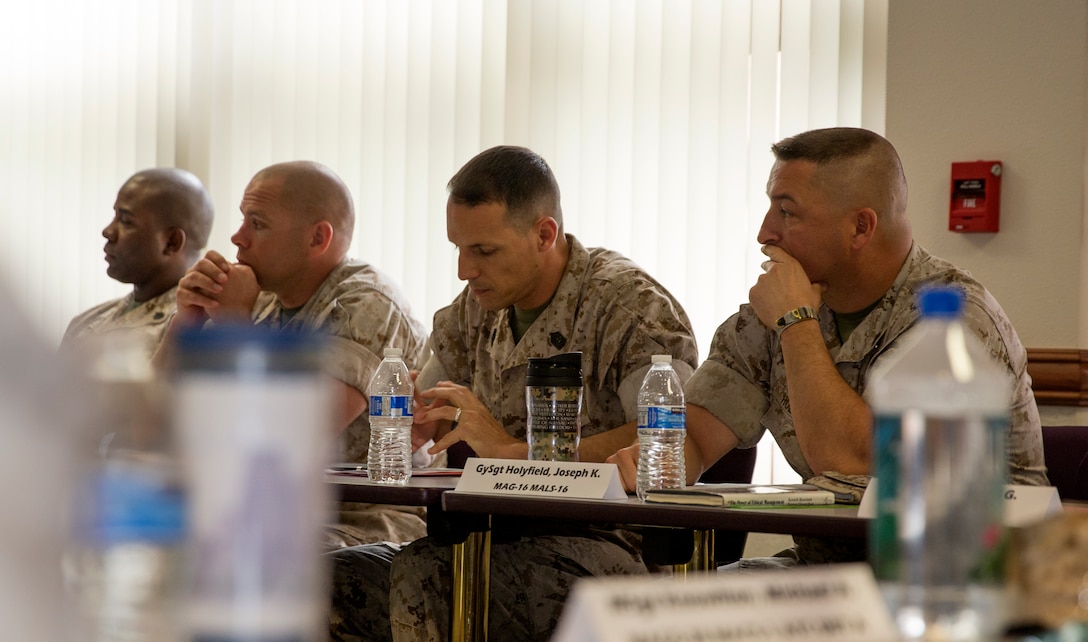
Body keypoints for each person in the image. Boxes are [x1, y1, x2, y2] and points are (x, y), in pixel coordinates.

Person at [609, 127, 1049, 567]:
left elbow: (856, 462)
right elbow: (698, 437)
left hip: (966, 578)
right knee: (685, 612)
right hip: (832, 566)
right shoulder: (775, 312)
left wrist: (796, 325)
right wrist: (658, 459)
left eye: (787, 213)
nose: (765, 232)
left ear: (861, 227)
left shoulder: (953, 320)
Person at [327, 146, 700, 642]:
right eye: (458, 248)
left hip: (611, 545)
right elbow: (430, 406)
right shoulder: (477, 308)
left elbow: (667, 439)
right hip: (490, 536)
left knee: (430, 578)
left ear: (544, 234)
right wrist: (417, 419)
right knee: (322, 581)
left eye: (483, 251)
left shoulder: (627, 306)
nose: (464, 270)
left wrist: (518, 455)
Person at [163, 160, 431, 547]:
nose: (237, 238)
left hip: (368, 517)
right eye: (242, 221)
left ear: (317, 238)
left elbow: (289, 437)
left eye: (257, 224)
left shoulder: (366, 303)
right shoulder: (262, 299)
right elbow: (146, 422)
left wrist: (235, 325)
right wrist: (185, 321)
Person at [60, 168, 214, 360]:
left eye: (125, 221)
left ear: (171, 242)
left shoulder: (201, 331)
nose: (108, 231)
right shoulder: (86, 322)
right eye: (115, 216)